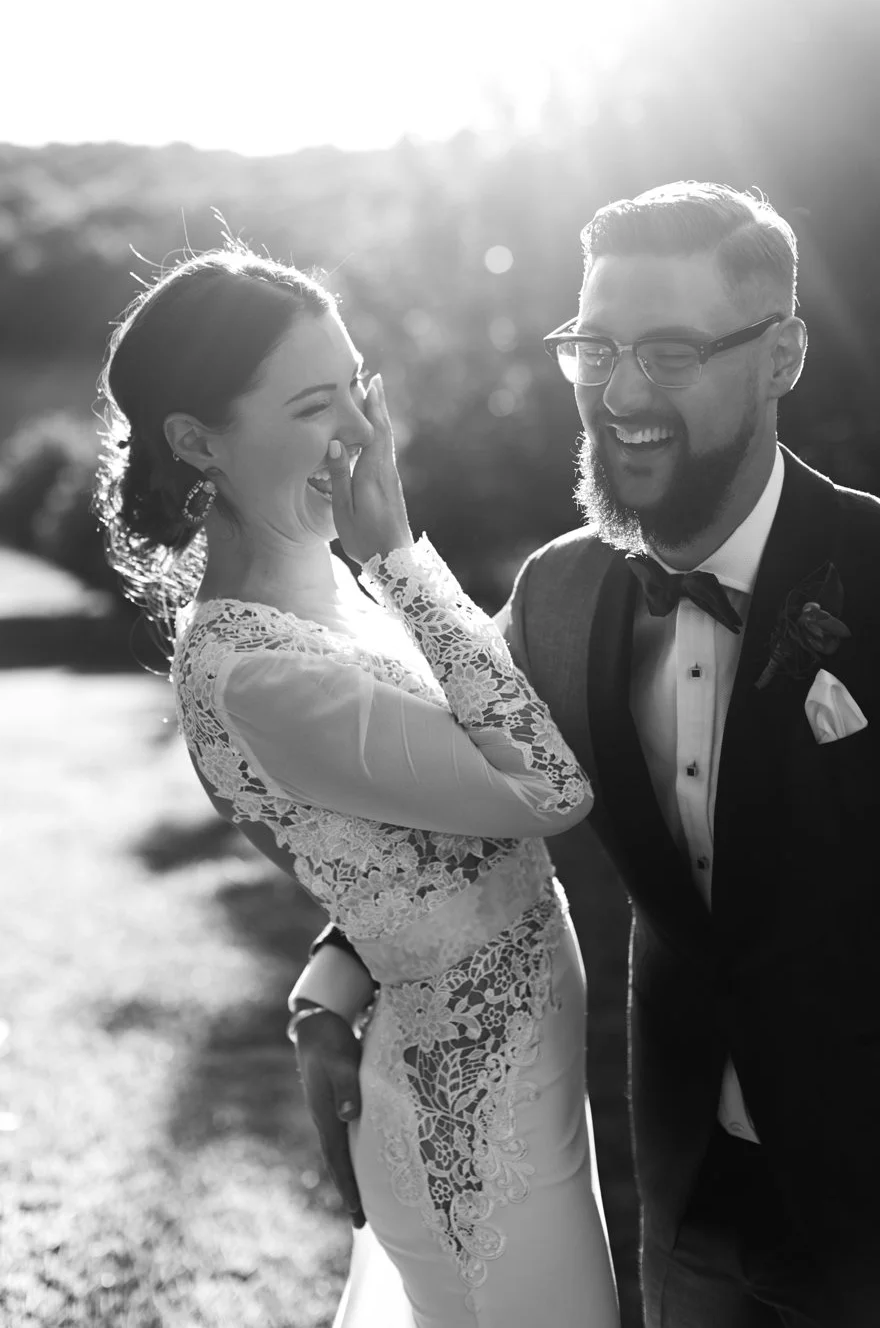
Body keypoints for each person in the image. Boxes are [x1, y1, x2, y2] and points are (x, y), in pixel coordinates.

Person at [293, 182, 880, 1327]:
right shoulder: (561, 591)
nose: (618, 394)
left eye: (668, 353)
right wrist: (337, 972)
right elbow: (456, 790)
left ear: (782, 356)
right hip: (683, 1176)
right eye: (594, 347)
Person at [94, 247, 621, 1328]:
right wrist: (401, 559)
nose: (362, 433)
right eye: (310, 404)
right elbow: (549, 791)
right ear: (199, 440)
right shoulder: (262, 674)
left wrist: (324, 989)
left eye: (356, 387)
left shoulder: (318, 600)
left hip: (499, 1094)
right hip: (474, 1136)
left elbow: (401, 855)